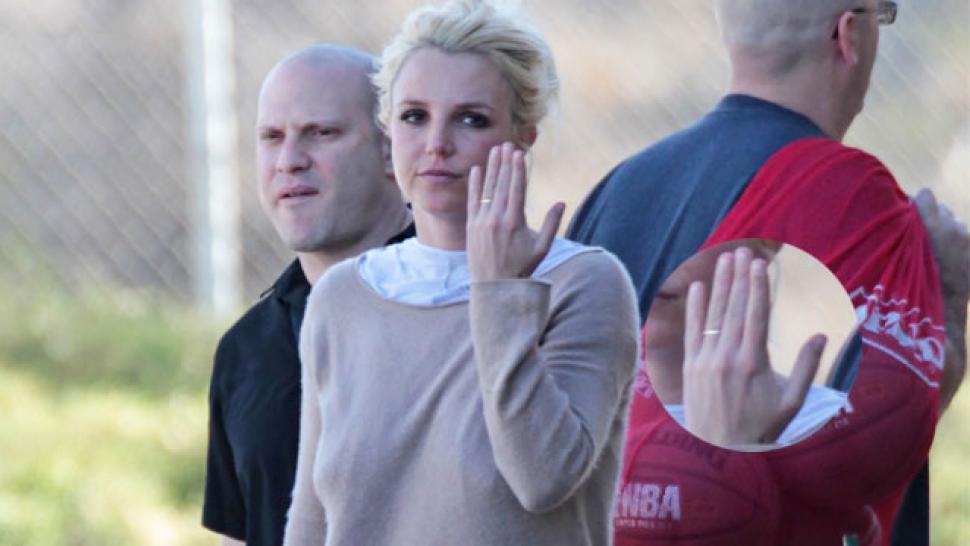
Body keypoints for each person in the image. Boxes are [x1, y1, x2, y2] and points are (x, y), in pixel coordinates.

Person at [567, 1, 968, 544]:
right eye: (884, 13)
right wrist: (947, 298)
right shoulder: (853, 195)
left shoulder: (616, 190)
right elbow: (877, 448)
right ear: (849, 34)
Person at [283, 1, 639, 544]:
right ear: (388, 131)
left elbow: (543, 479)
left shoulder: (584, 284)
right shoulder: (342, 296)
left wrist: (500, 292)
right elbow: (313, 517)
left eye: (471, 119)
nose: (436, 144)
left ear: (523, 136)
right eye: (414, 116)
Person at [202, 44, 413, 546]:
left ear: (391, 150)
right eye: (272, 137)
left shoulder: (463, 305)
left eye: (321, 133)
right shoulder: (246, 349)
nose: (289, 161)